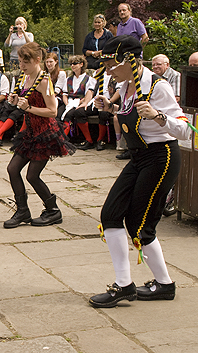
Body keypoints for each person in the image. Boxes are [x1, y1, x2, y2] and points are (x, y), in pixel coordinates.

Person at [89, 35, 191, 308]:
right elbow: (128, 117)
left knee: (139, 225)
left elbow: (185, 130)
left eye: (111, 62)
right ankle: (141, 285)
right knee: (110, 215)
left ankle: (156, 285)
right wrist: (110, 107)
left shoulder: (157, 86)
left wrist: (158, 115)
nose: (108, 69)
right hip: (138, 158)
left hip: (162, 158)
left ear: (129, 60)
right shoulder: (124, 85)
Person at [4, 42, 75, 228]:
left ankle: (53, 211)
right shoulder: (25, 78)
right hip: (29, 132)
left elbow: (52, 111)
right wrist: (15, 100)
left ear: (37, 60)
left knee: (32, 176)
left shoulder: (44, 81)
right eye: (20, 62)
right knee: (12, 169)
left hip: (45, 133)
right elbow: (23, 100)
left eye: (25, 62)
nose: (22, 66)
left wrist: (29, 108)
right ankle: (22, 211)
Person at [60, 55, 97, 150]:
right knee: (58, 114)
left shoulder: (89, 79)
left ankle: (63, 141)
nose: (72, 65)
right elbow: (64, 94)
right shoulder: (68, 79)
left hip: (80, 102)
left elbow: (90, 93)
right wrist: (67, 104)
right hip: (69, 103)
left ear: (81, 64)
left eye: (75, 63)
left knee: (71, 114)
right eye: (71, 64)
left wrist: (83, 101)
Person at [45, 53, 67, 121]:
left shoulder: (61, 73)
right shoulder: (44, 74)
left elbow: (57, 90)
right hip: (46, 96)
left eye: (51, 62)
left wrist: (48, 99)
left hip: (57, 97)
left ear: (56, 62)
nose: (49, 64)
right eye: (47, 62)